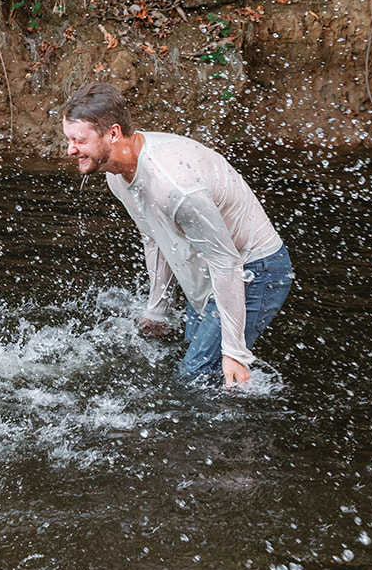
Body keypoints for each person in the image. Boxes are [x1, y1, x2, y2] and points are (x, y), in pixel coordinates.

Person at [61, 82, 293, 386]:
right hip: (213, 267)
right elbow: (156, 237)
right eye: (68, 139)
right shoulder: (117, 175)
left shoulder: (175, 186)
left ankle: (239, 423)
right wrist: (157, 309)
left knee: (198, 374)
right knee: (193, 364)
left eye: (79, 139)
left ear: (113, 133)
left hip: (254, 268)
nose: (70, 149)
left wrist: (234, 351)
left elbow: (228, 263)